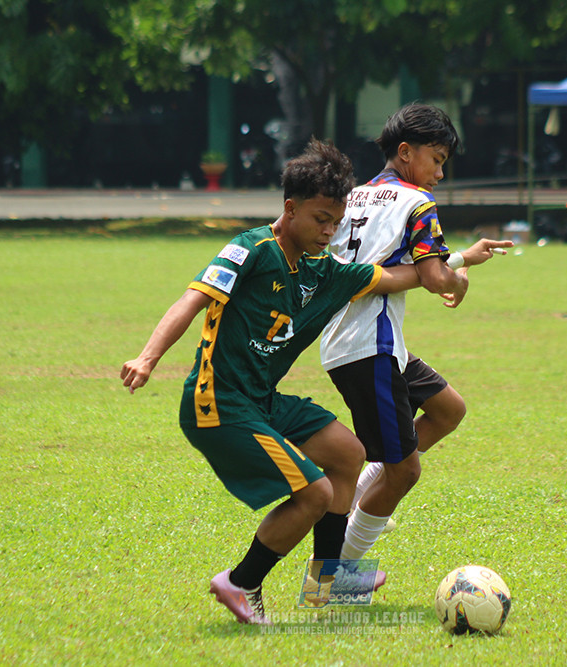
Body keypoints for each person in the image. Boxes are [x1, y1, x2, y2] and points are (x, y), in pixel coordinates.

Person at [120, 139, 426, 625]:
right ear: (290, 208)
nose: (329, 231)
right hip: (217, 402)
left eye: (336, 221)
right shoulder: (251, 250)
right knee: (316, 493)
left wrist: (453, 263)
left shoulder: (325, 272)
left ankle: (328, 584)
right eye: (320, 218)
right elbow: (192, 299)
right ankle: (241, 582)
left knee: (348, 454)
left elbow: (395, 278)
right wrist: (147, 356)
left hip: (262, 401)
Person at [319, 103, 512, 565]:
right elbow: (433, 275)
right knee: (404, 472)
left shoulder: (356, 196)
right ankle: (339, 571)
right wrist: (458, 277)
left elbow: (386, 262)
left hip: (361, 342)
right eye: (438, 159)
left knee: (448, 409)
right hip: (369, 347)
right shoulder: (418, 202)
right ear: (406, 152)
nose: (440, 173)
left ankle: (368, 496)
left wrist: (462, 257)